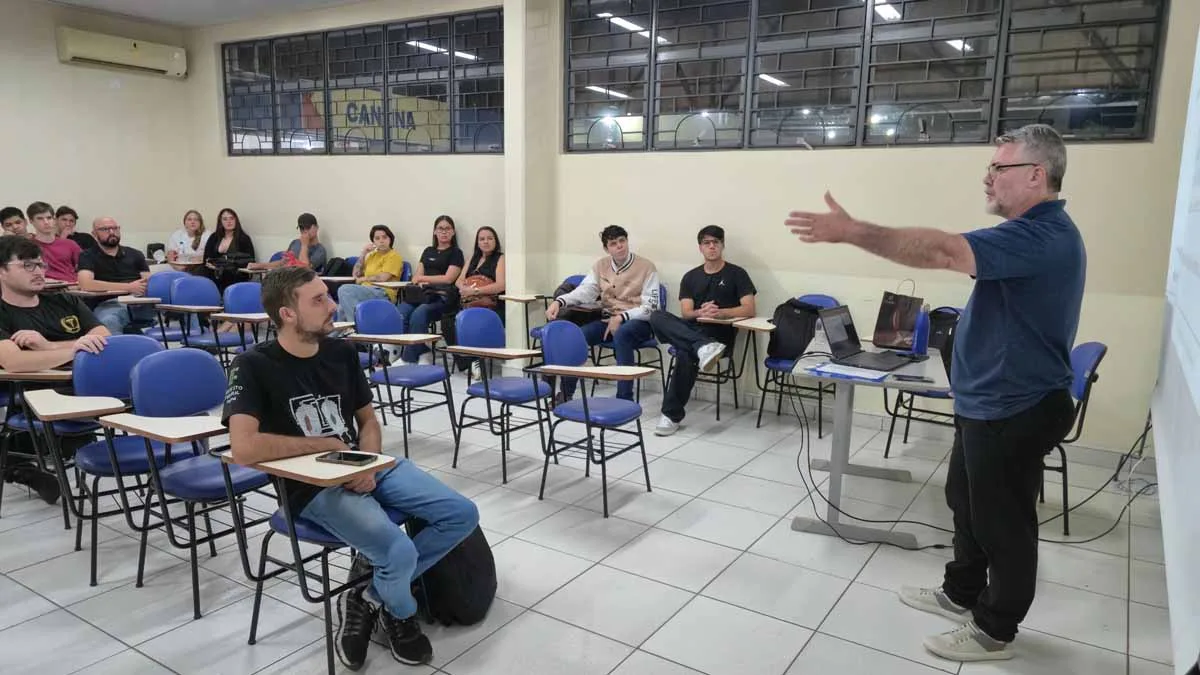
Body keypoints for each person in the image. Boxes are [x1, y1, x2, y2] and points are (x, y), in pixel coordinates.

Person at [783, 123, 1084, 663]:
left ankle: (994, 629)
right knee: (965, 502)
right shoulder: (1028, 235)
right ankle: (960, 592)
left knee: (1003, 524)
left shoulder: (1041, 236)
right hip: (986, 402)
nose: (987, 178)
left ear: (1036, 175)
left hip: (1014, 407)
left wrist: (853, 231)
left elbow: (944, 252)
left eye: (999, 168)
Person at [223, 266, 478, 669]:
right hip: (310, 486)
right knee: (397, 551)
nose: (332, 306)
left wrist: (367, 466)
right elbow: (243, 448)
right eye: (318, 300)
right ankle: (400, 613)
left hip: (364, 464)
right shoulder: (253, 364)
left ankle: (367, 596)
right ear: (287, 314)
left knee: (461, 513)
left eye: (328, 295)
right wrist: (324, 445)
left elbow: (368, 422)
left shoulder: (340, 352)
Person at [0, 235, 110, 504]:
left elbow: (104, 338)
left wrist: (48, 347)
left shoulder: (64, 301)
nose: (38, 271)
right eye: (27, 265)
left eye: (40, 264)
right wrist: (76, 348)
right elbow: (13, 361)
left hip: (87, 390)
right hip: (32, 396)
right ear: (2, 271)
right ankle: (21, 467)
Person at [648, 225, 756, 436]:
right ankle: (702, 346)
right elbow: (687, 312)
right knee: (657, 316)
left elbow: (750, 309)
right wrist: (701, 312)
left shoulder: (737, 274)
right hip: (694, 329)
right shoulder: (690, 277)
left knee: (684, 353)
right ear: (700, 247)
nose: (712, 246)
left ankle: (671, 416)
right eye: (707, 243)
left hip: (720, 335)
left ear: (722, 245)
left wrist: (721, 313)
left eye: (716, 242)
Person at [545, 225, 660, 401]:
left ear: (627, 241)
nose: (619, 246)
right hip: (608, 321)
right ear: (607, 249)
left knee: (622, 334)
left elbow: (651, 307)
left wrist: (622, 317)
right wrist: (560, 301)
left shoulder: (647, 267)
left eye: (622, 241)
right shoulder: (601, 266)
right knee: (578, 337)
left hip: (639, 322)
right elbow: (586, 291)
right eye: (614, 243)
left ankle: (624, 399)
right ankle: (566, 395)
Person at [397, 215, 463, 364]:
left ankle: (409, 358)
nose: (444, 232)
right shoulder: (428, 251)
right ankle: (421, 351)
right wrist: (420, 280)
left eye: (448, 228)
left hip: (441, 297)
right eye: (440, 228)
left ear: (453, 232)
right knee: (401, 312)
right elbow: (416, 276)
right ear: (434, 232)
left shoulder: (456, 253)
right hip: (422, 295)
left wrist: (423, 279)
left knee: (419, 314)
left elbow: (448, 279)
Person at [76, 217, 153, 334]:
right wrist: (128, 287)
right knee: (109, 321)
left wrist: (141, 289)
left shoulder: (135, 254)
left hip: (139, 302)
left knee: (178, 310)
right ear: (94, 234)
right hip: (108, 303)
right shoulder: (87, 256)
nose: (112, 232)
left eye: (115, 228)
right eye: (105, 229)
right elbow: (86, 284)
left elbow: (149, 280)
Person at [445, 226, 506, 374]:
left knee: (474, 322)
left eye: (490, 238)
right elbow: (459, 280)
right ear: (477, 242)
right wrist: (463, 288)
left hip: (490, 304)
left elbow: (501, 285)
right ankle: (467, 363)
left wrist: (476, 291)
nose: (486, 242)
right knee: (447, 322)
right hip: (468, 303)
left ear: (495, 241)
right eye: (482, 239)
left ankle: (476, 361)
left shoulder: (500, 258)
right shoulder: (473, 258)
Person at [337, 224, 403, 322]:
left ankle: (356, 325)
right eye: (377, 238)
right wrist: (363, 254)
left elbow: (383, 278)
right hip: (366, 290)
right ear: (373, 242)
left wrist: (363, 279)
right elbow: (356, 274)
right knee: (341, 306)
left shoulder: (394, 256)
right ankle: (342, 331)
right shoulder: (372, 256)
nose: (381, 241)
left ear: (390, 239)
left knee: (344, 290)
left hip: (383, 292)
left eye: (384, 237)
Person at [248, 213, 327, 273]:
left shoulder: (320, 250)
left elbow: (304, 270)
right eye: (302, 228)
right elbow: (282, 263)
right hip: (286, 279)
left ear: (316, 228)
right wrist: (260, 265)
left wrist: (304, 245)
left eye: (308, 227)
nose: (305, 231)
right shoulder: (295, 243)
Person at [26, 202, 82, 283]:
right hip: (45, 286)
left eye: (49, 218)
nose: (46, 222)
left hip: (72, 285)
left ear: (54, 220)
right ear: (31, 221)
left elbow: (85, 267)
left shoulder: (70, 244)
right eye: (40, 218)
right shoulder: (27, 246)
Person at [203, 207, 256, 293]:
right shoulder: (214, 237)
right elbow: (206, 258)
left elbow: (250, 260)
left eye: (231, 218)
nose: (229, 221)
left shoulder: (244, 239)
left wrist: (222, 267)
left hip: (235, 275)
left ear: (236, 220)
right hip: (214, 274)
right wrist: (214, 266)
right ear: (220, 222)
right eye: (225, 219)